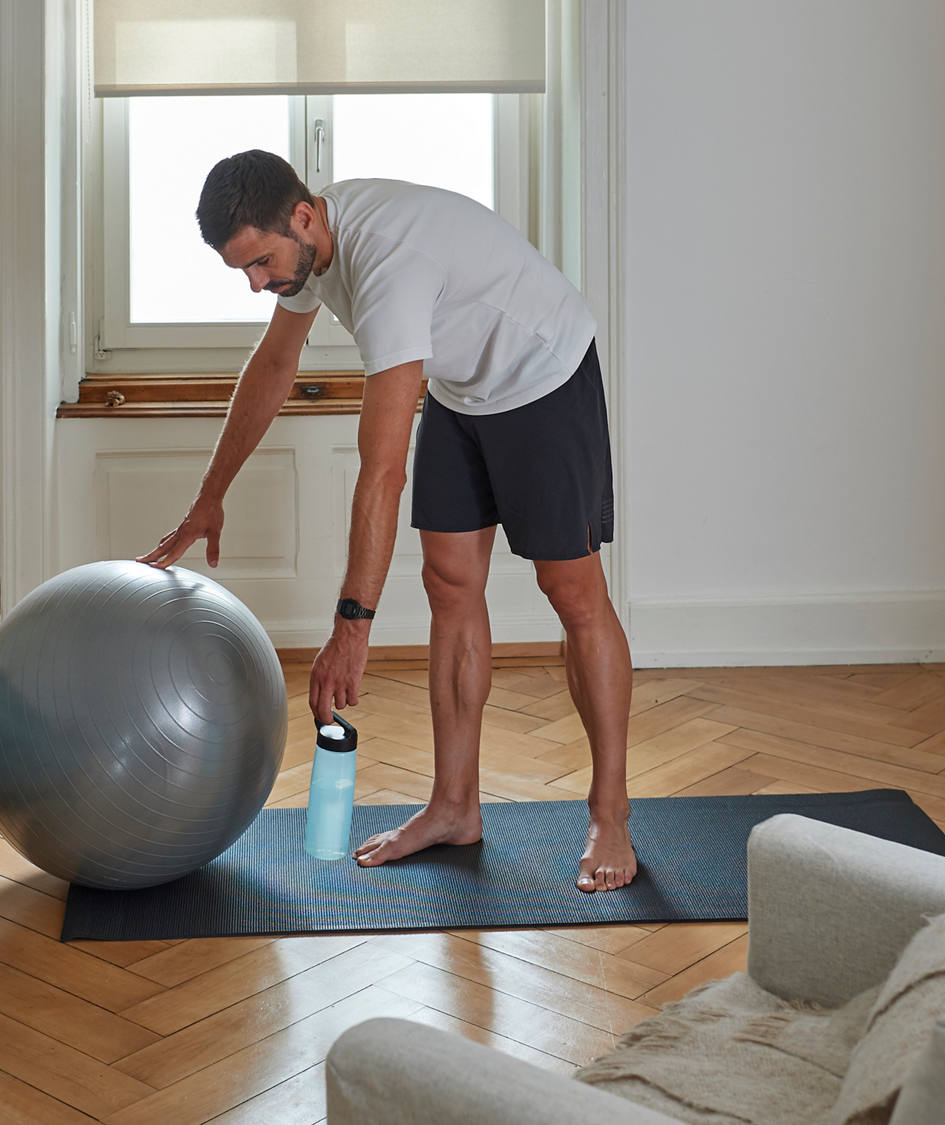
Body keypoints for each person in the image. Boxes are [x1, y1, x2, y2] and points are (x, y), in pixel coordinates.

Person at [138, 150, 636, 892]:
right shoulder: (309, 248)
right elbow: (274, 366)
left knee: (571, 593)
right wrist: (208, 498)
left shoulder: (389, 264)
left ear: (302, 217)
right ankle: (454, 806)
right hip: (466, 391)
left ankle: (611, 811)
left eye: (261, 263)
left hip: (542, 375)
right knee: (449, 582)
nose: (256, 283)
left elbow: (382, 470)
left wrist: (351, 628)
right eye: (242, 270)